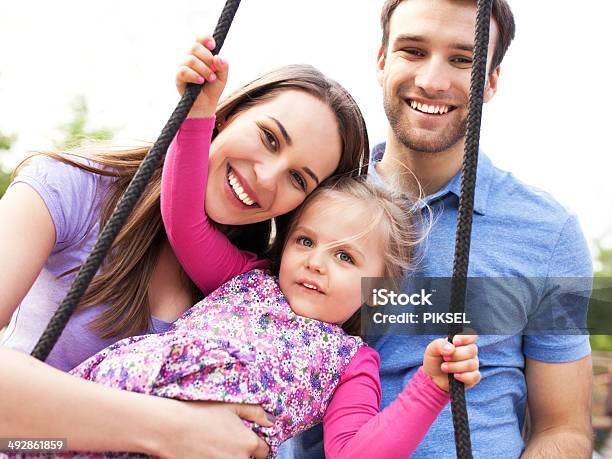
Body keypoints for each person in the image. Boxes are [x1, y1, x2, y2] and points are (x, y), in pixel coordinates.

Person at [0, 35, 370, 458]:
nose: (267, 178)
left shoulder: (260, 295)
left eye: (299, 180)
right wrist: (171, 429)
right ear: (226, 114)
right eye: (269, 137)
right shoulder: (69, 189)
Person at [282, 0, 593, 458]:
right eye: (412, 50)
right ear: (382, 60)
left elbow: (563, 428)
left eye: (463, 59)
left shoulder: (549, 232)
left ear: (490, 81)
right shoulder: (306, 201)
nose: (432, 81)